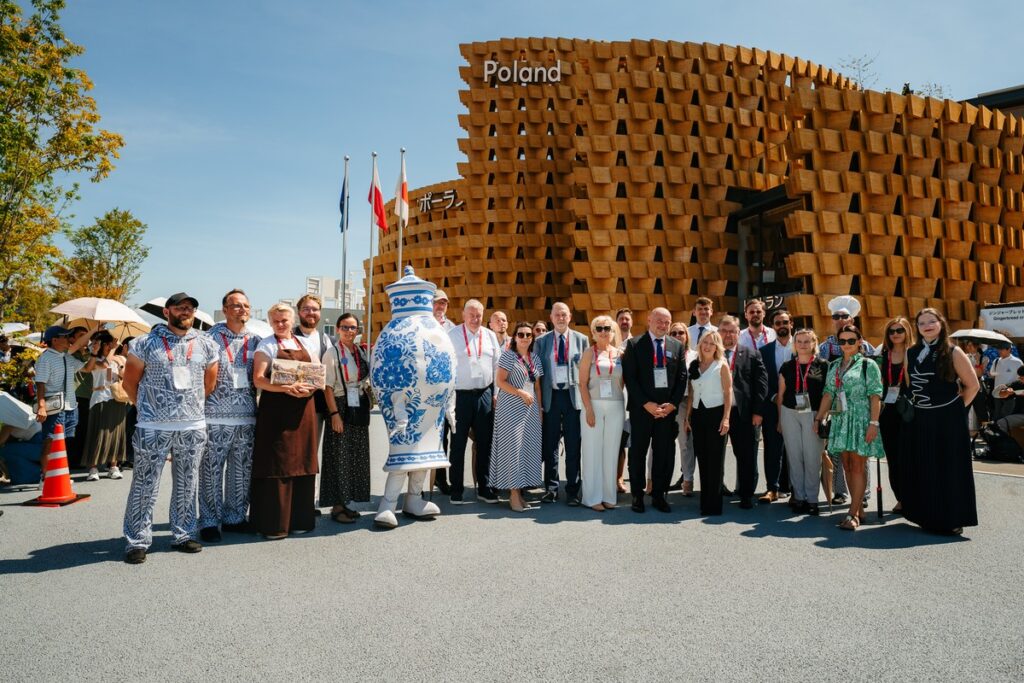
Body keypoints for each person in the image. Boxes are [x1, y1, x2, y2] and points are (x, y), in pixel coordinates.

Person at [121, 293, 219, 564]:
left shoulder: (207, 344)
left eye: (190, 308)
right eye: (180, 307)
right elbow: (130, 383)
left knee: (188, 482)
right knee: (144, 483)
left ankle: (183, 533)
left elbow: (209, 385)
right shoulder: (144, 343)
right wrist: (148, 408)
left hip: (192, 425)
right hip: (152, 425)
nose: (186, 311)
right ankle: (136, 540)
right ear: (167, 312)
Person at [900, 308, 980, 535]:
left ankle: (952, 519)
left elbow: (972, 385)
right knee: (925, 466)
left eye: (931, 321)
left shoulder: (953, 351)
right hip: (921, 417)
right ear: (917, 327)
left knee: (950, 468)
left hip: (948, 419)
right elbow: (909, 384)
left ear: (940, 324)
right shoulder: (911, 352)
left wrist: (954, 410)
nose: (926, 325)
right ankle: (928, 516)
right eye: (922, 322)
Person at [250, 303, 320, 539]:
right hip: (276, 412)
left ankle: (300, 520)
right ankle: (275, 524)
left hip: (303, 410)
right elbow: (259, 380)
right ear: (270, 323)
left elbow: (318, 375)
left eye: (285, 320)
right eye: (276, 321)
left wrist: (307, 391)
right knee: (277, 463)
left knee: (303, 461)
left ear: (293, 321)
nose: (281, 324)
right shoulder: (266, 345)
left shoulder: (307, 344)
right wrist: (285, 388)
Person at [198, 289, 261, 542]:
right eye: (235, 305)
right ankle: (210, 521)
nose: (241, 310)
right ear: (224, 309)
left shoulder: (257, 340)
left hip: (246, 416)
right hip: (214, 416)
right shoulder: (208, 339)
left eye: (246, 305)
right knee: (211, 471)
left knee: (241, 471)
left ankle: (235, 517)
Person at [814, 325, 884, 530]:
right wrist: (819, 418)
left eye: (851, 341)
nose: (846, 345)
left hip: (861, 419)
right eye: (842, 341)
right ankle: (858, 509)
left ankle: (852, 514)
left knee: (858, 466)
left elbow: (875, 395)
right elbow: (828, 394)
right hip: (840, 419)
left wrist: (874, 423)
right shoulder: (834, 365)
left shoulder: (868, 364)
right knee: (845, 465)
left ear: (860, 342)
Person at [622, 307, 686, 513]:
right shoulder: (634, 344)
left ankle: (659, 495)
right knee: (638, 453)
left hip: (667, 412)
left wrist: (673, 404)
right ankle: (637, 496)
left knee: (663, 454)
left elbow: (682, 378)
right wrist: (646, 404)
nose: (663, 325)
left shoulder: (677, 346)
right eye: (659, 320)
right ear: (649, 320)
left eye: (667, 322)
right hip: (642, 410)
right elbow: (630, 378)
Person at [447, 299, 501, 504]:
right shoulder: (452, 336)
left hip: (485, 395)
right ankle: (457, 489)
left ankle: (484, 487)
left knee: (485, 443)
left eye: (478, 315)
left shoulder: (489, 336)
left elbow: (497, 365)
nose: (475, 319)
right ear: (463, 315)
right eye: (471, 314)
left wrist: (495, 393)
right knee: (458, 444)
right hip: (460, 396)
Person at [535, 301, 589, 505]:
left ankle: (573, 491)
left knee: (574, 445)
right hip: (551, 398)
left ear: (570, 316)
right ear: (551, 317)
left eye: (564, 314)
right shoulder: (542, 341)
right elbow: (538, 375)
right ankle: (551, 488)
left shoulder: (582, 340)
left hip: (572, 398)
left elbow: (585, 372)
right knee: (550, 446)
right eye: (557, 314)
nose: (560, 318)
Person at [321, 313, 371, 523]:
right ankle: (337, 506)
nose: (349, 331)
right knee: (339, 456)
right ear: (338, 329)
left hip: (357, 404)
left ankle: (347, 501)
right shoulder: (332, 353)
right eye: (345, 327)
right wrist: (334, 415)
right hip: (340, 405)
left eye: (353, 328)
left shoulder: (359, 351)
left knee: (355, 455)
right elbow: (327, 387)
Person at [491, 322, 544, 512]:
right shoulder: (508, 356)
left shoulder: (535, 358)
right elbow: (500, 381)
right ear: (515, 337)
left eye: (528, 335)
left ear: (532, 338)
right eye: (521, 334)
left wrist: (539, 411)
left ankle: (520, 492)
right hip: (511, 408)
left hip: (530, 411)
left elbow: (537, 387)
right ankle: (513, 494)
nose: (525, 337)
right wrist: (519, 392)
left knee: (526, 450)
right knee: (513, 450)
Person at [717, 316, 768, 508]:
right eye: (724, 330)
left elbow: (761, 386)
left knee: (746, 455)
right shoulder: (711, 352)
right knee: (715, 454)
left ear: (739, 333)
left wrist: (758, 412)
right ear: (718, 331)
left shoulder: (752, 354)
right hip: (717, 413)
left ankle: (746, 495)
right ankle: (716, 489)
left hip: (744, 414)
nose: (728, 335)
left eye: (732, 331)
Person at [777, 329, 828, 515]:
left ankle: (812, 499)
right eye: (799, 341)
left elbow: (827, 395)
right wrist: (780, 420)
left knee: (812, 457)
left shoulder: (823, 366)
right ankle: (798, 496)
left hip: (814, 414)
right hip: (789, 412)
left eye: (807, 341)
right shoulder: (787, 366)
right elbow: (781, 395)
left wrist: (820, 418)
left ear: (814, 343)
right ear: (794, 344)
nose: (803, 345)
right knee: (795, 456)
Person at [33, 325, 94, 477]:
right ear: (54, 340)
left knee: (63, 442)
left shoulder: (67, 356)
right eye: (65, 337)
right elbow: (40, 383)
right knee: (50, 442)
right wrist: (41, 406)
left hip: (70, 405)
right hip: (55, 407)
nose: (69, 339)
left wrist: (94, 353)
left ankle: (58, 475)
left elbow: (87, 368)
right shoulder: (45, 358)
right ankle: (45, 477)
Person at [579, 315, 625, 511]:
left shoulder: (619, 354)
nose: (604, 331)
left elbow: (622, 382)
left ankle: (608, 495)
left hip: (616, 405)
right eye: (600, 328)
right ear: (593, 333)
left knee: (612, 451)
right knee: (592, 451)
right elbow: (582, 383)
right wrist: (588, 409)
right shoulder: (589, 353)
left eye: (607, 328)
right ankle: (591, 497)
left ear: (613, 331)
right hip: (594, 405)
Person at [684, 331, 732, 515]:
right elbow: (691, 393)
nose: (707, 346)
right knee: (702, 459)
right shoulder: (694, 365)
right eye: (705, 342)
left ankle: (714, 504)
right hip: (698, 414)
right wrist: (687, 417)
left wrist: (726, 418)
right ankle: (705, 502)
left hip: (716, 414)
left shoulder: (721, 366)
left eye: (712, 343)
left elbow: (728, 393)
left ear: (717, 347)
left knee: (715, 459)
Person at [877, 317, 914, 513]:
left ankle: (914, 498)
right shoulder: (883, 355)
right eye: (892, 331)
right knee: (893, 458)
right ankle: (901, 498)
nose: (896, 334)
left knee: (911, 456)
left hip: (910, 411)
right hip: (888, 412)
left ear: (907, 331)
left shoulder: (915, 353)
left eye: (900, 330)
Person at [757, 310, 794, 503]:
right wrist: (773, 396)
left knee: (797, 449)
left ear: (791, 324)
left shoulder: (803, 346)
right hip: (772, 406)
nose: (782, 326)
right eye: (778, 323)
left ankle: (797, 490)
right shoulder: (764, 351)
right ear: (773, 327)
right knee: (772, 447)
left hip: (799, 407)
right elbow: (761, 381)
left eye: (785, 322)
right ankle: (772, 487)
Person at [81, 330, 128, 481]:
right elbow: (103, 365)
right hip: (100, 398)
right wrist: (113, 350)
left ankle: (113, 466)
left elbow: (111, 376)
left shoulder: (115, 360)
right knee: (98, 433)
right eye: (107, 344)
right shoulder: (94, 359)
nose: (110, 347)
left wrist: (119, 372)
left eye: (111, 344)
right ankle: (93, 467)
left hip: (115, 397)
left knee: (116, 433)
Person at [667, 323, 697, 495]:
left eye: (681, 332)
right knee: (664, 442)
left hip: (687, 401)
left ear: (687, 335)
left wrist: (690, 411)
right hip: (668, 401)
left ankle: (688, 479)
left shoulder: (695, 355)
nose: (678, 335)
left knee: (685, 443)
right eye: (674, 332)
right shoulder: (665, 353)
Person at [819, 296, 875, 361]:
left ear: (852, 321)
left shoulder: (865, 346)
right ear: (832, 321)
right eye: (836, 316)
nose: (840, 319)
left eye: (844, 316)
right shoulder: (823, 347)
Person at [614, 307, 633, 493]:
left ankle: (620, 478)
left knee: (623, 442)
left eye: (627, 319)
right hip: (609, 400)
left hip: (628, 401)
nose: (624, 322)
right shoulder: (609, 342)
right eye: (621, 319)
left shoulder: (636, 344)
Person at [988, 343, 1023, 421]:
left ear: (1009, 349)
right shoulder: (996, 361)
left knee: (1007, 417)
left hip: (1010, 395)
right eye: (998, 349)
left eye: (1002, 349)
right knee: (996, 416)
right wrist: (991, 374)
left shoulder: (1017, 362)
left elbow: (1021, 378)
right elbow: (992, 374)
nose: (999, 351)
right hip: (997, 394)